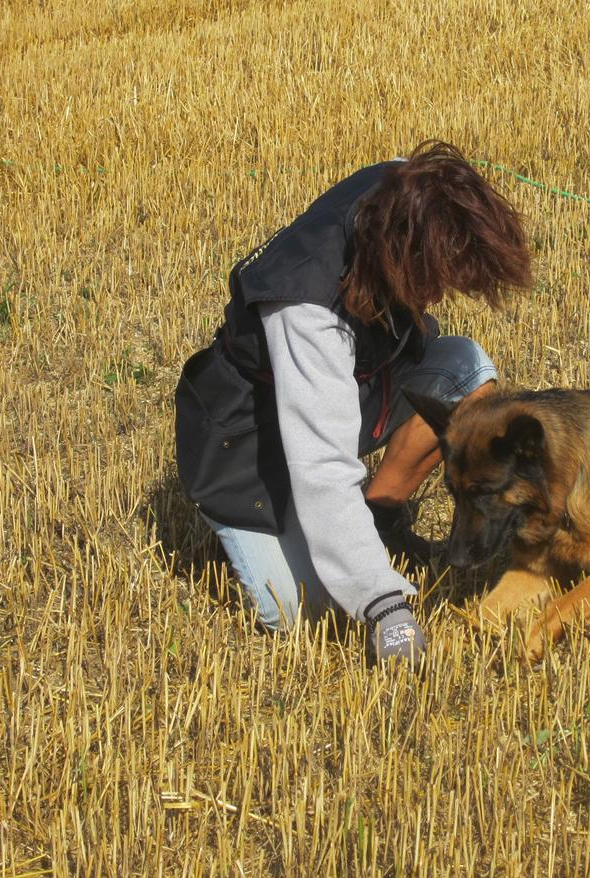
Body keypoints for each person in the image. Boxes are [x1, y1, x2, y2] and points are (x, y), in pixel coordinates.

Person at [174, 140, 533, 668]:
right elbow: (321, 466)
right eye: (434, 279)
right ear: (400, 252)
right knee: (298, 609)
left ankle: (376, 517)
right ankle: (263, 537)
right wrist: (383, 605)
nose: (438, 296)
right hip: (248, 442)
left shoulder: (405, 191)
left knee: (466, 372)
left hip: (348, 386)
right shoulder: (305, 310)